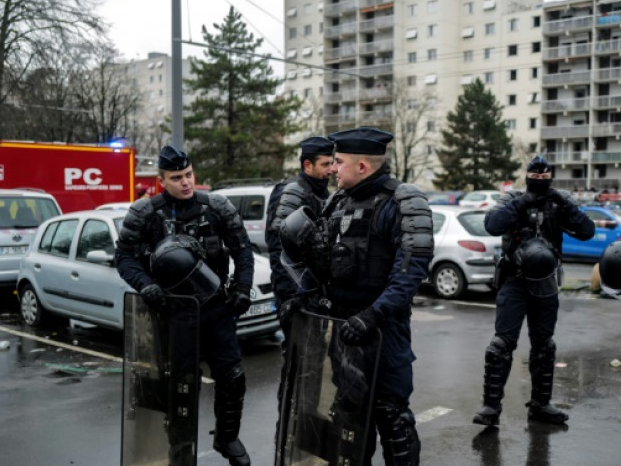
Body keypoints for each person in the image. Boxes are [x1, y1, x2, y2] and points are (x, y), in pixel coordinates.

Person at [281, 126, 433, 466]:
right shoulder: (338, 201)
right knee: (348, 421)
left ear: (362, 166)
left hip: (383, 334)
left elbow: (411, 271)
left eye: (338, 162)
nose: (332, 169)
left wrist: (372, 316)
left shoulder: (403, 201)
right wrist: (301, 298)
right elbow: (323, 265)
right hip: (344, 335)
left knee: (392, 418)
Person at [115, 144, 255, 466]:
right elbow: (123, 258)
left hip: (216, 310)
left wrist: (243, 288)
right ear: (162, 179)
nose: (186, 182)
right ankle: (180, 452)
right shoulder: (145, 213)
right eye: (177, 177)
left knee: (233, 377)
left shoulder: (217, 208)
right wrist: (145, 284)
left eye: (189, 174)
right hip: (172, 315)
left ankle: (227, 436)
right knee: (180, 387)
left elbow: (243, 250)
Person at [473, 155, 595, 427]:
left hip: (546, 283)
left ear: (551, 176)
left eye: (544, 176)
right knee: (501, 345)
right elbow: (492, 225)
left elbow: (587, 230)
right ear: (526, 176)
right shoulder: (512, 198)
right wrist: (523, 201)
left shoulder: (558, 202)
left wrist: (564, 203)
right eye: (534, 176)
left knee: (544, 346)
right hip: (513, 282)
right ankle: (491, 408)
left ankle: (540, 404)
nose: (539, 180)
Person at [265, 136, 335, 312]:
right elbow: (278, 250)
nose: (332, 169)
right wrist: (292, 298)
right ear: (307, 165)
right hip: (296, 294)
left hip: (317, 292)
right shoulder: (292, 193)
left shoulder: (323, 193)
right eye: (325, 164)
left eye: (332, 163)